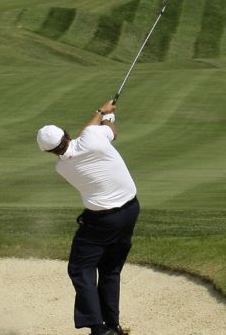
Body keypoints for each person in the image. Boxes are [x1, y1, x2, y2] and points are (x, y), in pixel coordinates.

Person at [37, 100, 138, 335]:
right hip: (131, 209)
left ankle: (99, 330)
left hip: (102, 221)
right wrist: (107, 119)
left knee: (80, 268)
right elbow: (111, 132)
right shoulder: (93, 137)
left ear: (48, 151)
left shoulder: (62, 168)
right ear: (66, 134)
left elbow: (81, 141)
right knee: (110, 269)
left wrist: (101, 112)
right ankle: (112, 325)